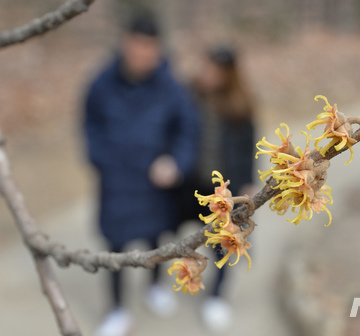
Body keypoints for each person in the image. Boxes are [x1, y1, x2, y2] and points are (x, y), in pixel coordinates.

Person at [83, 14, 199, 336]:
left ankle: (154, 287)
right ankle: (117, 309)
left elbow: (188, 129)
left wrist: (176, 162)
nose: (143, 57)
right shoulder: (102, 83)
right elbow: (90, 125)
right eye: (137, 49)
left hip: (155, 183)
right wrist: (101, 160)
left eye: (150, 51)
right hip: (116, 181)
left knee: (156, 238)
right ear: (125, 44)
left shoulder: (171, 87)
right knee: (115, 246)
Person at [178, 45, 256, 332]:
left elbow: (248, 146)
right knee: (165, 227)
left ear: (227, 75)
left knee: (224, 244)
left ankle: (216, 297)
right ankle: (168, 280)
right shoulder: (187, 94)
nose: (206, 74)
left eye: (214, 70)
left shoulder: (239, 103)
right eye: (205, 66)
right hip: (188, 183)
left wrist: (246, 182)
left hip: (225, 187)